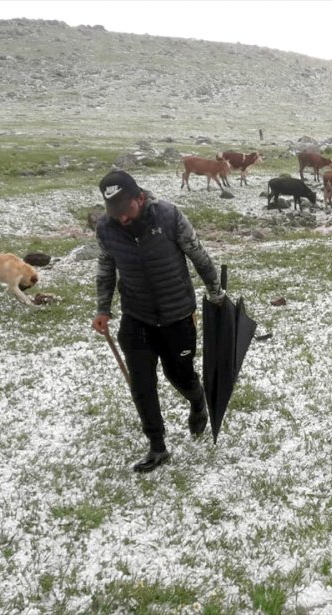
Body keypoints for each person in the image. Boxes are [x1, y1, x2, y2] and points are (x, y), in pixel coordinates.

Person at [92, 170, 225, 473]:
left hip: (177, 312)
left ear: (140, 198)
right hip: (136, 315)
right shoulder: (106, 228)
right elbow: (106, 265)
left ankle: (197, 400)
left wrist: (215, 291)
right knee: (141, 382)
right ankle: (157, 446)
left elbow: (198, 254)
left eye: (127, 211)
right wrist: (103, 309)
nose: (122, 219)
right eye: (115, 213)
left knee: (178, 374)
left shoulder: (168, 216)